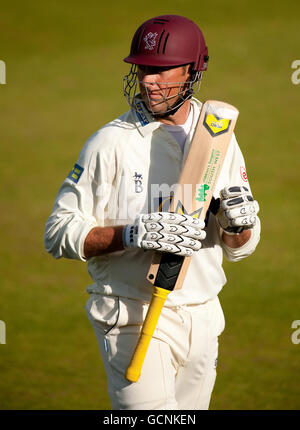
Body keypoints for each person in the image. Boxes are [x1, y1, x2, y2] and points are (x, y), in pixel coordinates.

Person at [44, 14, 260, 410]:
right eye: (144, 68)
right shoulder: (109, 143)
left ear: (194, 71)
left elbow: (237, 247)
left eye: (162, 70)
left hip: (203, 316)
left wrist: (240, 225)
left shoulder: (220, 134)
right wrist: (132, 234)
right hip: (131, 315)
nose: (148, 80)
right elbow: (58, 232)